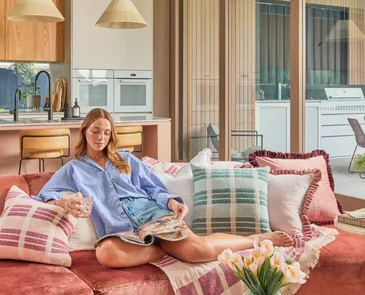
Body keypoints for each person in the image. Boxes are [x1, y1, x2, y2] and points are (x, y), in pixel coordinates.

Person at [34, 108, 294, 268]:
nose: (100, 137)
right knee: (106, 255)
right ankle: (164, 248)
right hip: (119, 228)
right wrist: (65, 204)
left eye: (106, 132)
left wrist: (172, 203)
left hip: (151, 214)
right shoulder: (73, 169)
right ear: (84, 132)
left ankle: (255, 239)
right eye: (95, 131)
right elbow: (45, 195)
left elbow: (154, 188)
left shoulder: (126, 159)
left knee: (199, 252)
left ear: (111, 135)